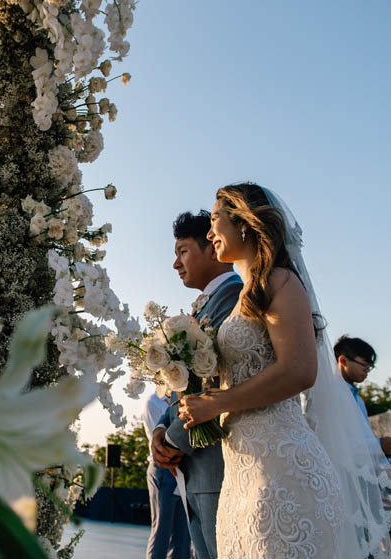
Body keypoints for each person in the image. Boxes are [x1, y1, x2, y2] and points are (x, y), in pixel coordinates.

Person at [177, 183, 391, 559]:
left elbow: (299, 370)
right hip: (242, 469)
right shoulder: (244, 296)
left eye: (215, 220)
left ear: (244, 224)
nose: (210, 232)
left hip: (281, 470)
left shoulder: (279, 280)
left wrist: (217, 403)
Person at [150, 210, 241, 559]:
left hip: (215, 463)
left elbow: (214, 383)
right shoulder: (202, 307)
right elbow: (184, 384)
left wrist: (172, 442)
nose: (176, 263)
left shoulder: (232, 296)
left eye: (183, 251)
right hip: (195, 467)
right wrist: (160, 429)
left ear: (212, 247)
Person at [335, 335, 391, 559]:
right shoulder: (332, 394)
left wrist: (388, 447)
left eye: (370, 367)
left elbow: (361, 437)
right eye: (364, 365)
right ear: (343, 361)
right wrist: (378, 445)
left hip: (363, 480)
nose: (367, 371)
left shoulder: (358, 399)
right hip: (343, 483)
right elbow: (339, 442)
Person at [143, 390, 191, 559]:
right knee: (161, 531)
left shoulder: (183, 395)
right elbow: (161, 441)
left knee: (183, 535)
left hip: (184, 468)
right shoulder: (153, 402)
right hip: (164, 469)